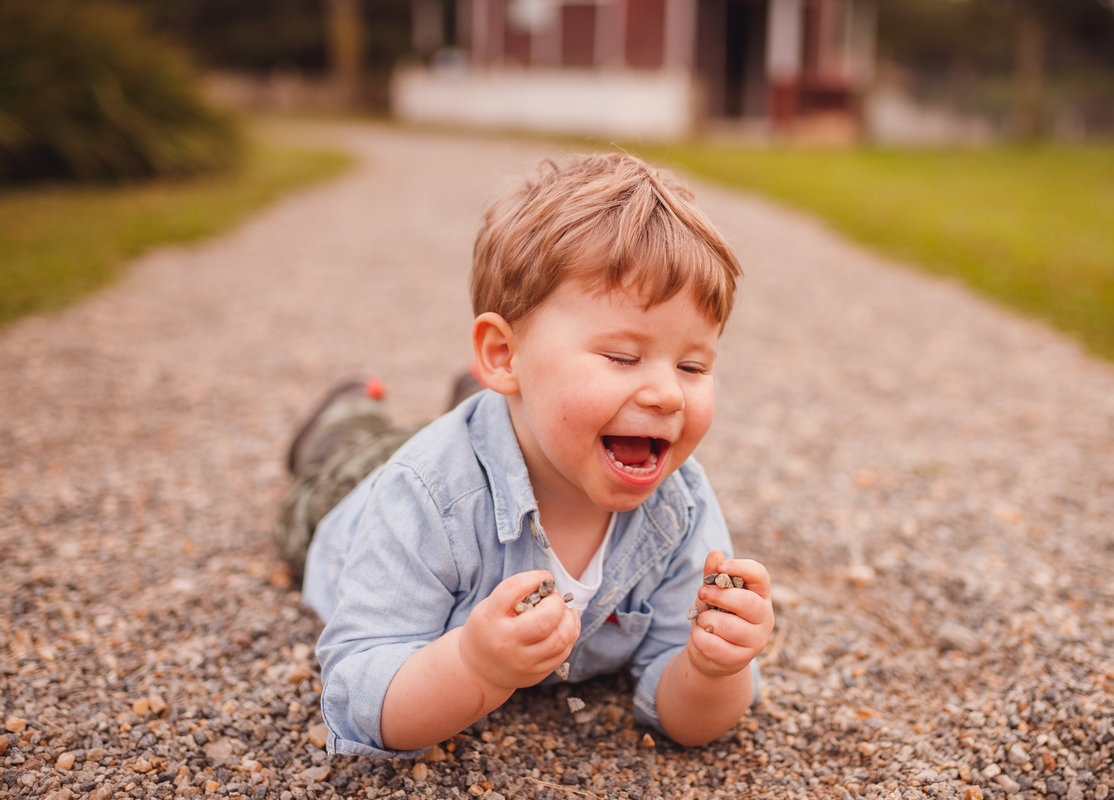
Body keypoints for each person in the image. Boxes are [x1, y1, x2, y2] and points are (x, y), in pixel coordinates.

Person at [285, 153, 774, 759]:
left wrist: (714, 670)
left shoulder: (682, 506)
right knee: (343, 458)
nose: (669, 393)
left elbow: (679, 717)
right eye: (623, 357)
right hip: (355, 491)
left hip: (526, 421)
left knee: (547, 420)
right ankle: (350, 407)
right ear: (503, 353)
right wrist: (472, 666)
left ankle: (508, 405)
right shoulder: (426, 493)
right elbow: (358, 699)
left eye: (693, 366)